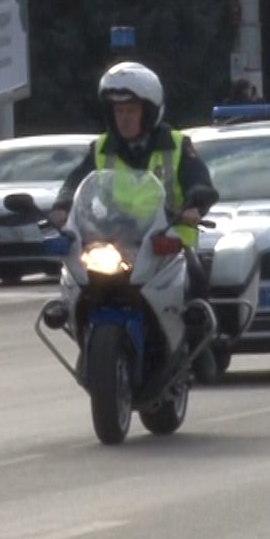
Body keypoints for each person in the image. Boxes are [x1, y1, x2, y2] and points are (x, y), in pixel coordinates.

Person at [51, 61, 219, 334]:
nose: (124, 118)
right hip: (114, 237)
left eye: (131, 110)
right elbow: (76, 180)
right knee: (79, 278)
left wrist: (196, 203)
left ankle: (203, 342)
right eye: (118, 111)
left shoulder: (176, 144)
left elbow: (198, 180)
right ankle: (83, 331)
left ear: (149, 112)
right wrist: (62, 205)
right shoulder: (102, 148)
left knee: (197, 277)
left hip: (168, 238)